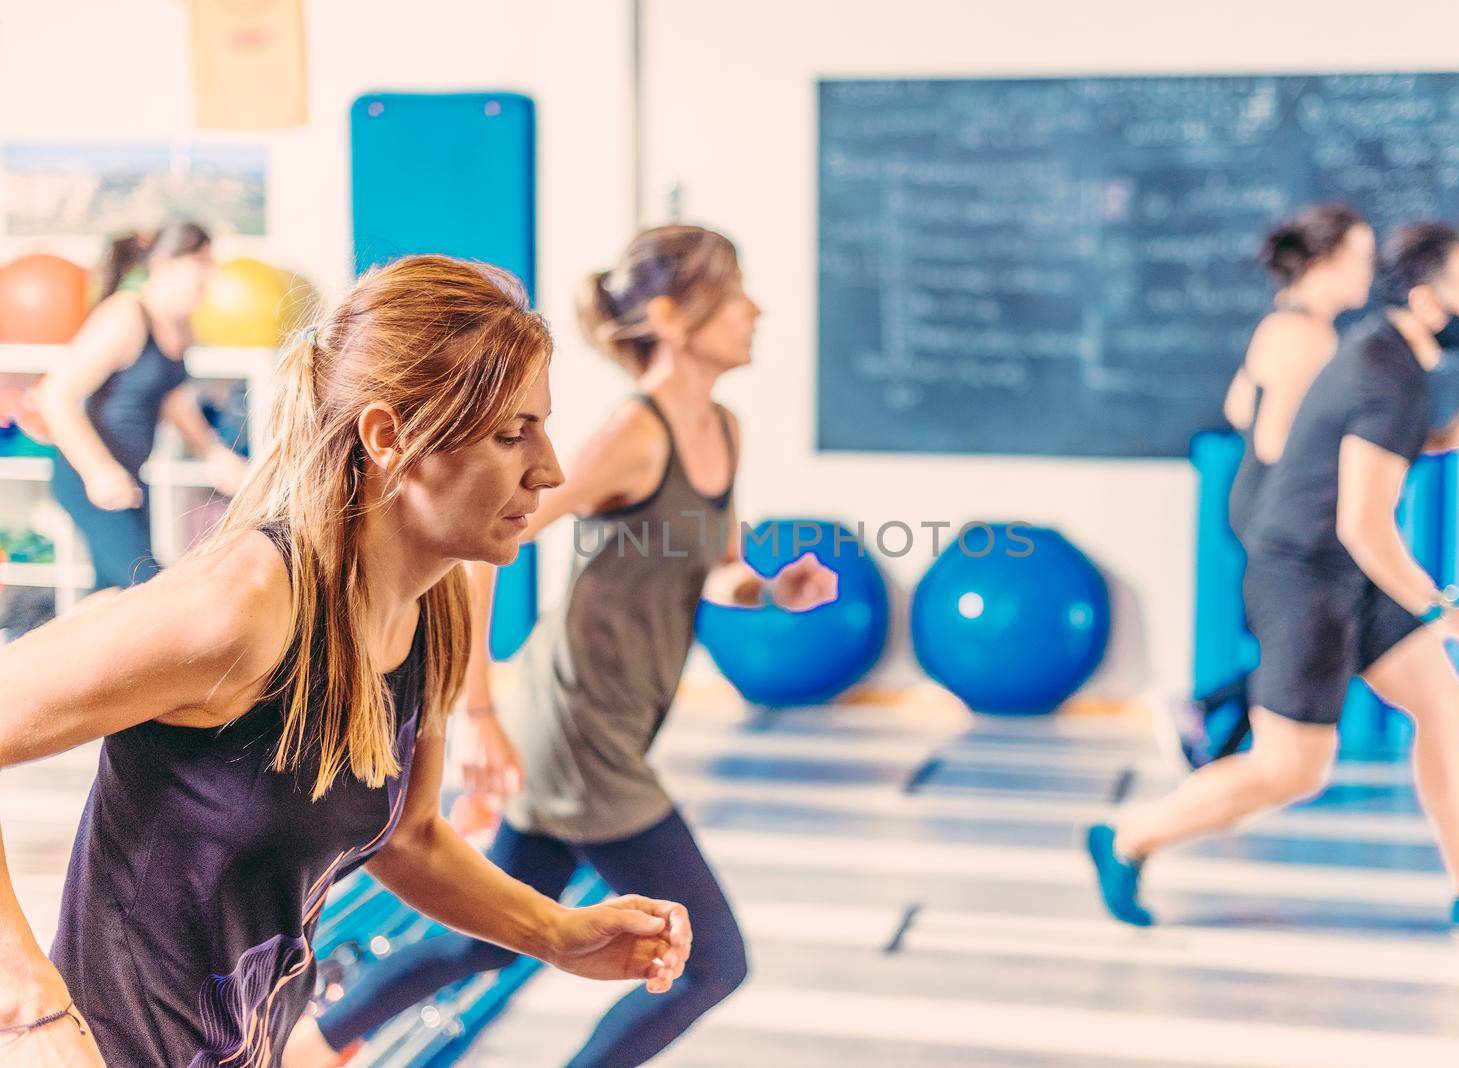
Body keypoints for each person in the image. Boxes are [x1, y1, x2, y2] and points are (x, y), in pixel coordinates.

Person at [0, 255, 691, 1067]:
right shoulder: (241, 610)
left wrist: (558, 933)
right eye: (512, 434)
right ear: (390, 437)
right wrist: (29, 1004)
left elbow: (410, 838)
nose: (551, 470)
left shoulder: (440, 604)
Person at [294, 225, 837, 1068]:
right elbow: (487, 540)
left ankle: (307, 1044)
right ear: (673, 315)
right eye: (736, 293)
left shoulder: (723, 430)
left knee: (492, 940)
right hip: (578, 731)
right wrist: (475, 709)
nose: (755, 310)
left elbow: (718, 569)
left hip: (613, 724)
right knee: (712, 960)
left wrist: (770, 590)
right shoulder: (634, 434)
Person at [1092, 222, 1459, 928]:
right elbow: (1362, 522)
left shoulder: (1385, 352)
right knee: (1292, 770)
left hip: (1337, 568)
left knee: (1442, 703)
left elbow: (1350, 446)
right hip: (1305, 576)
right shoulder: (1386, 370)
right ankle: (1127, 839)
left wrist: (1444, 438)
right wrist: (1443, 612)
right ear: (1427, 298)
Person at [1171, 205, 1375, 767]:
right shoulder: (1304, 335)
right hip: (1281, 511)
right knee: (1318, 638)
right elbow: (1277, 441)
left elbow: (1238, 404)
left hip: (1261, 501)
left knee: (1311, 639)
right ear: (1320, 262)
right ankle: (1206, 712)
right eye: (1358, 258)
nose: (1369, 271)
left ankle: (1213, 733)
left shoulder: (1285, 325)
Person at [33, 222, 250, 591]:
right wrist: (99, 472)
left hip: (131, 475)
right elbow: (54, 396)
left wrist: (214, 453)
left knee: (113, 594)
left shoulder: (179, 327)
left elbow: (174, 399)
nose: (211, 275)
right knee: (148, 589)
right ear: (165, 264)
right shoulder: (126, 316)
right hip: (86, 476)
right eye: (202, 262)